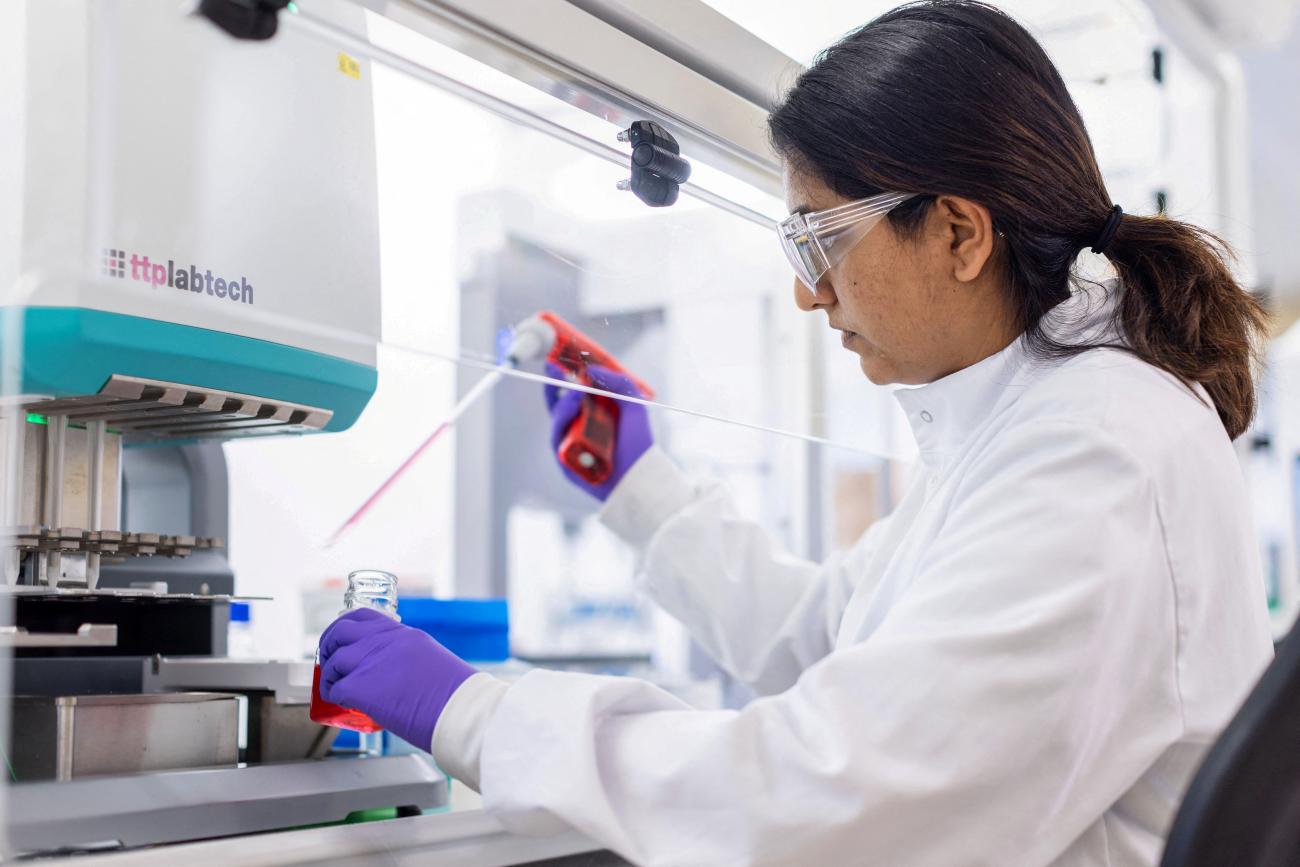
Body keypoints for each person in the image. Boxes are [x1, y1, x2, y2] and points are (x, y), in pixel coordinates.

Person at [315, 2, 1274, 863]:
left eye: (821, 239)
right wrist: (640, 488)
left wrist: (475, 710)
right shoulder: (1030, 420)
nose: (809, 292)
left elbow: (831, 794)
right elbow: (828, 635)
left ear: (959, 234)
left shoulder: (1092, 450)